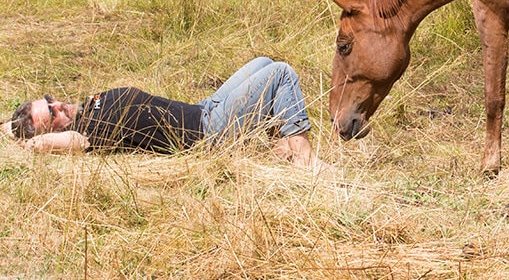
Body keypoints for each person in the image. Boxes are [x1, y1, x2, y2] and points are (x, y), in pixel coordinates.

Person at [3, 56, 321, 167]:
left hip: (204, 108)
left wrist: (6, 127)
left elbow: (8, 127)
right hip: (210, 132)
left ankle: (280, 148)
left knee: (264, 63)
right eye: (52, 114)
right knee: (281, 74)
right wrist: (36, 143)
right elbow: (75, 144)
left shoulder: (88, 107)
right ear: (55, 131)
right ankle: (303, 160)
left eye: (49, 101)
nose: (58, 105)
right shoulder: (88, 133)